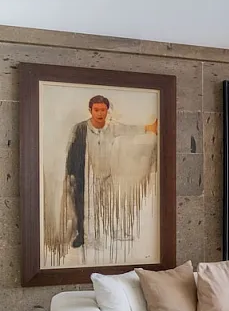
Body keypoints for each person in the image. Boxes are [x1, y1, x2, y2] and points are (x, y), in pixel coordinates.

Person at [64, 95, 158, 248]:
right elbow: (71, 151)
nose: (100, 113)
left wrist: (149, 128)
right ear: (90, 110)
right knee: (88, 208)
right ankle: (87, 237)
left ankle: (116, 232)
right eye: (96, 110)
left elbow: (129, 129)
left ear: (107, 111)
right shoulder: (81, 128)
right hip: (87, 176)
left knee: (110, 205)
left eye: (103, 110)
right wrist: (71, 173)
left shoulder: (112, 127)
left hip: (107, 174)